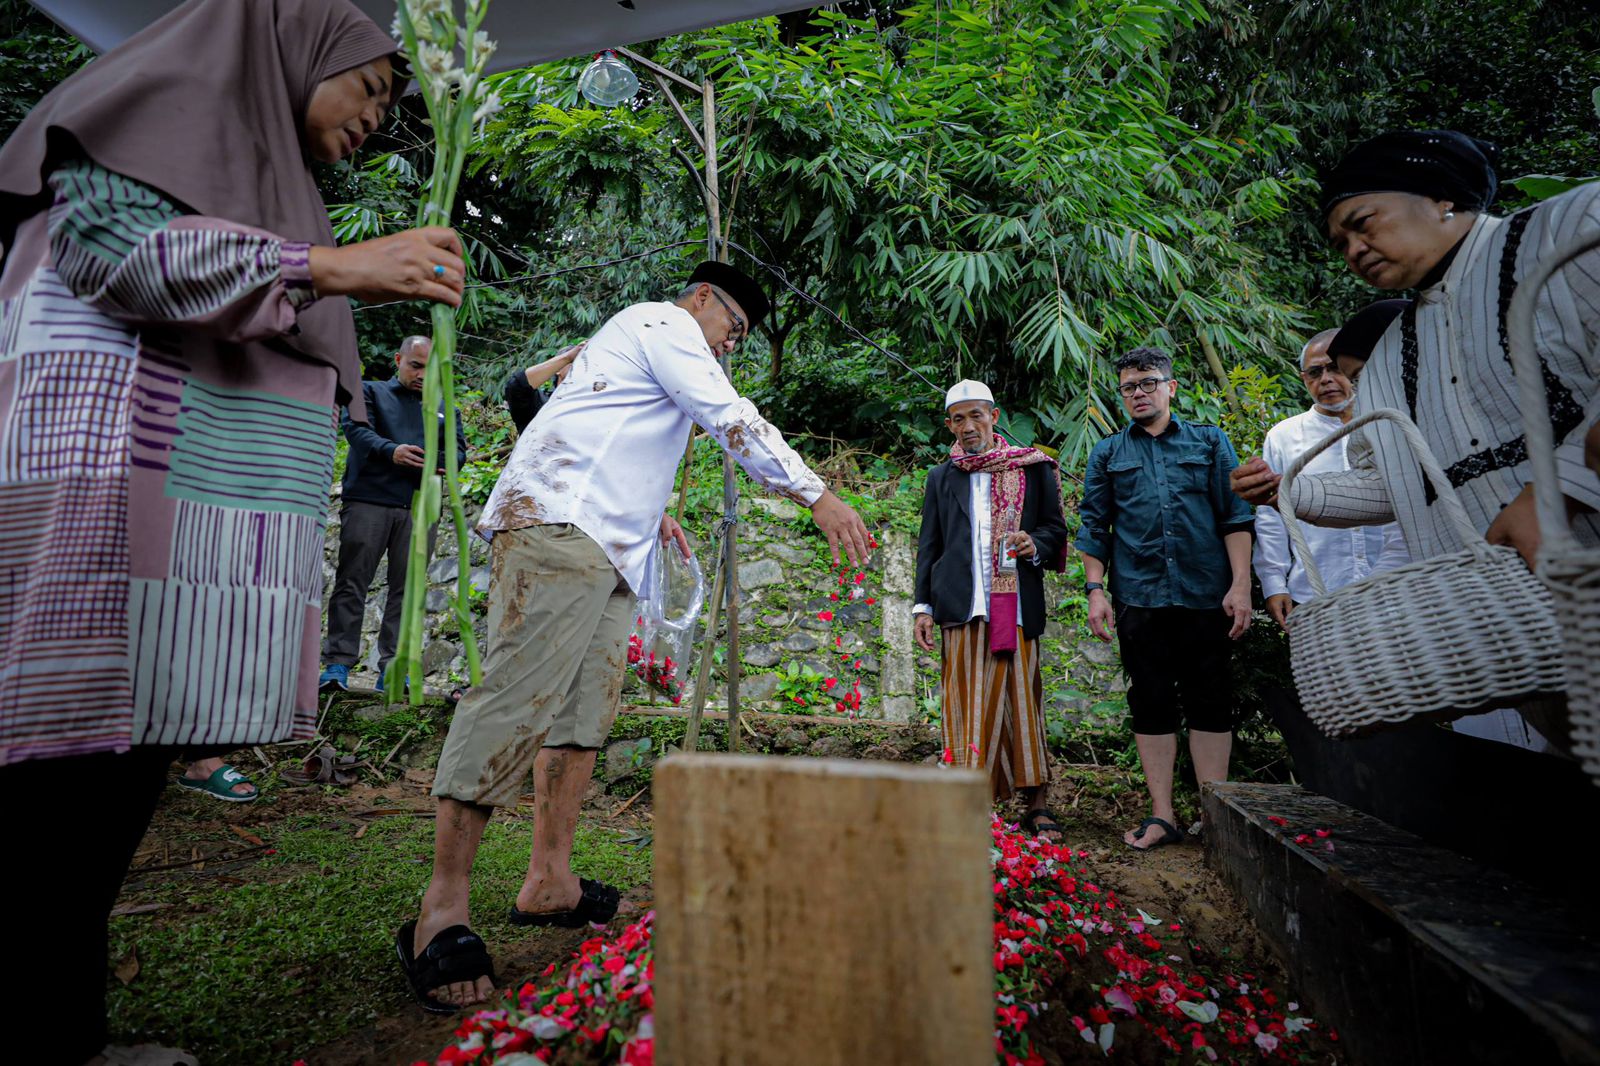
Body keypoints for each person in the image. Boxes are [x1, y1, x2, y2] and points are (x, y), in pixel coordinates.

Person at [0, 2, 465, 1061]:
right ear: (291, 45)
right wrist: (333, 266)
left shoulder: (256, 173)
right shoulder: (144, 108)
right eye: (372, 87)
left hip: (152, 528)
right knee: (57, 773)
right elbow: (120, 257)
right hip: (91, 501)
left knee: (116, 770)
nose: (377, 119)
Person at [396, 260, 871, 1013]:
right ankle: (440, 911)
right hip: (559, 529)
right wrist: (817, 494)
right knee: (514, 701)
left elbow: (600, 429)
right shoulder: (663, 322)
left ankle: (549, 880)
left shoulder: (639, 345)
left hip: (612, 549)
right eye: (733, 330)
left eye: (738, 342)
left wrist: (650, 511)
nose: (728, 347)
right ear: (703, 298)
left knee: (584, 717)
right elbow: (730, 415)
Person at [1230, 130, 1600, 750]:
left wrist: (1558, 487)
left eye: (1362, 222)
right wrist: (1285, 494)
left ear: (1440, 198)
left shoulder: (1567, 232)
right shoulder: (1386, 361)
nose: (1352, 248)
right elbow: (1397, 484)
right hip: (1520, 629)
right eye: (1340, 242)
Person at [1076, 348, 1255, 850]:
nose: (1139, 393)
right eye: (1129, 387)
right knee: (1150, 701)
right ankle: (1163, 816)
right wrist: (1095, 591)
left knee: (1211, 702)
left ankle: (1214, 816)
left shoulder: (1210, 441)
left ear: (1171, 387)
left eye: (1148, 383)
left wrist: (1240, 585)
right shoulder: (1109, 453)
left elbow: (1235, 517)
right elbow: (1094, 526)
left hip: (1206, 595)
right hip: (1140, 597)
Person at [913, 380, 1069, 839]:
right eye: (958, 418)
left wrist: (1031, 543)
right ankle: (971, 802)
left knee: (1023, 702)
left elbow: (1055, 532)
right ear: (949, 425)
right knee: (965, 705)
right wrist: (923, 606)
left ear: (995, 417)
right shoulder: (943, 477)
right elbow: (930, 544)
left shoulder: (1033, 469)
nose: (968, 426)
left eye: (976, 415)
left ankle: (1037, 804)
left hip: (1015, 607)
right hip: (961, 606)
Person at [319, 335, 468, 693]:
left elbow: (458, 452)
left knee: (409, 589)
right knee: (352, 581)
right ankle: (338, 664)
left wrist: (443, 463)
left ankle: (394, 668)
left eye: (429, 368)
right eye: (415, 365)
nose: (421, 374)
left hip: (421, 506)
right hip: (369, 499)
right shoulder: (369, 391)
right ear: (398, 359)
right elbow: (355, 430)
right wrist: (392, 451)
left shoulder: (446, 406)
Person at [1252, 329, 1407, 630]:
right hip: (1315, 591)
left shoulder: (1390, 425)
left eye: (1335, 368)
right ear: (1304, 379)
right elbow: (1271, 518)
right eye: (1315, 372)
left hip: (1396, 587)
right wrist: (1274, 582)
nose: (1326, 379)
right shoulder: (1283, 436)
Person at [502, 343, 582, 433]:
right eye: (574, 362)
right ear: (558, 369)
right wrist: (568, 357)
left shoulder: (589, 405)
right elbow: (517, 385)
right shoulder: (539, 402)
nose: (579, 367)